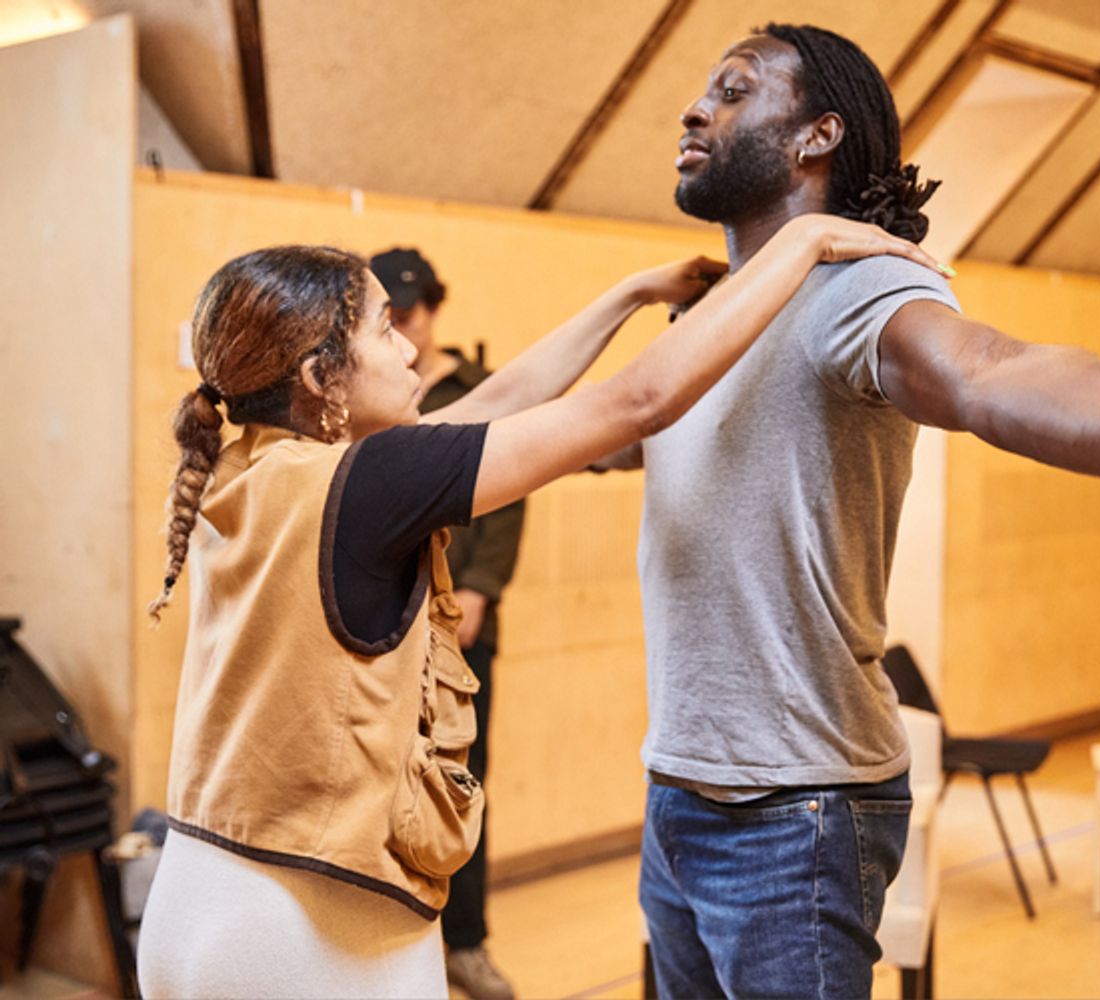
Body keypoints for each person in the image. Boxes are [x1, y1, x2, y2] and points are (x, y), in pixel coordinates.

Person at [594, 22, 1100, 999]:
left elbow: (989, 371)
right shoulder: (704, 323)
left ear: (814, 137)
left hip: (794, 815)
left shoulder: (851, 287)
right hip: (679, 791)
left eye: (733, 88)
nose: (693, 106)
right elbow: (601, 431)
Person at [134, 215, 940, 998]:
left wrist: (628, 295)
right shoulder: (370, 481)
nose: (410, 345)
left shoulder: (258, 466)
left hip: (198, 898)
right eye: (384, 330)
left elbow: (501, 399)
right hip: (302, 928)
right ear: (319, 379)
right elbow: (637, 404)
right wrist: (803, 242)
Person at [369, 247, 524, 1000]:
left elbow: (508, 494)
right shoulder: (366, 391)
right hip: (378, 626)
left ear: (433, 308)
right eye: (388, 315)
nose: (405, 325)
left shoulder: (475, 389)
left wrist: (482, 593)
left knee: (460, 789)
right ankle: (397, 946)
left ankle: (465, 944)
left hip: (459, 627)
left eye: (413, 310)